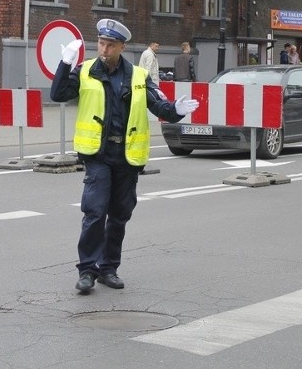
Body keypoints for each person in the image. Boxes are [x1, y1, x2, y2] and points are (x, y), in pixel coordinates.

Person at [50, 19, 199, 294]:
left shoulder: (139, 76)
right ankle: (87, 271)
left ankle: (109, 268)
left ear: (122, 47)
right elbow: (58, 94)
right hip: (98, 154)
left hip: (127, 155)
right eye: (101, 43)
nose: (104, 50)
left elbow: (159, 107)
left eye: (110, 45)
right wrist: (64, 64)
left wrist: (177, 109)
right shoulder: (84, 71)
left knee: (119, 215)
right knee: (95, 212)